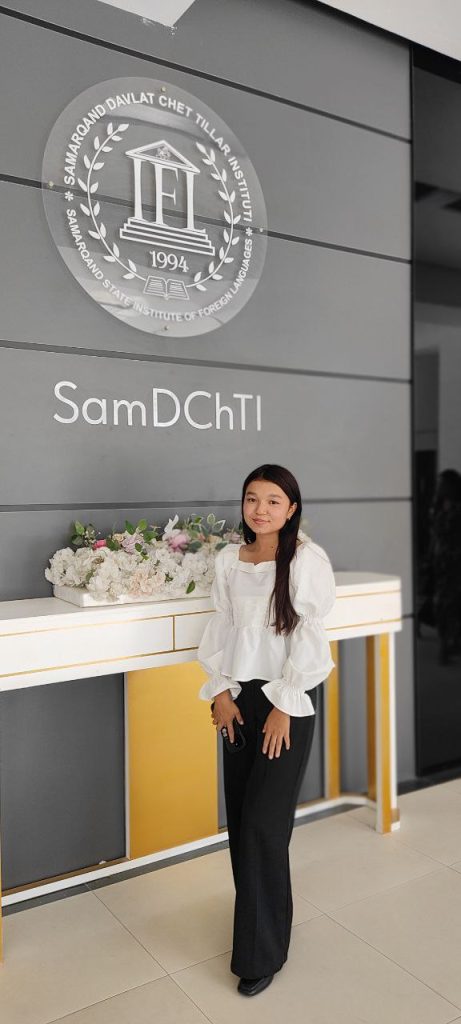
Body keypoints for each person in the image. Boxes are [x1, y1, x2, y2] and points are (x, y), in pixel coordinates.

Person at [197, 464, 337, 996]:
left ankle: (262, 953)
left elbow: (310, 639)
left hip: (288, 698)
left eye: (273, 501)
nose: (260, 509)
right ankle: (259, 929)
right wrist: (221, 691)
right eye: (252, 499)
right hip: (240, 698)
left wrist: (283, 704)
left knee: (263, 825)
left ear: (292, 508)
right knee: (242, 821)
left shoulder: (305, 559)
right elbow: (221, 627)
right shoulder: (228, 559)